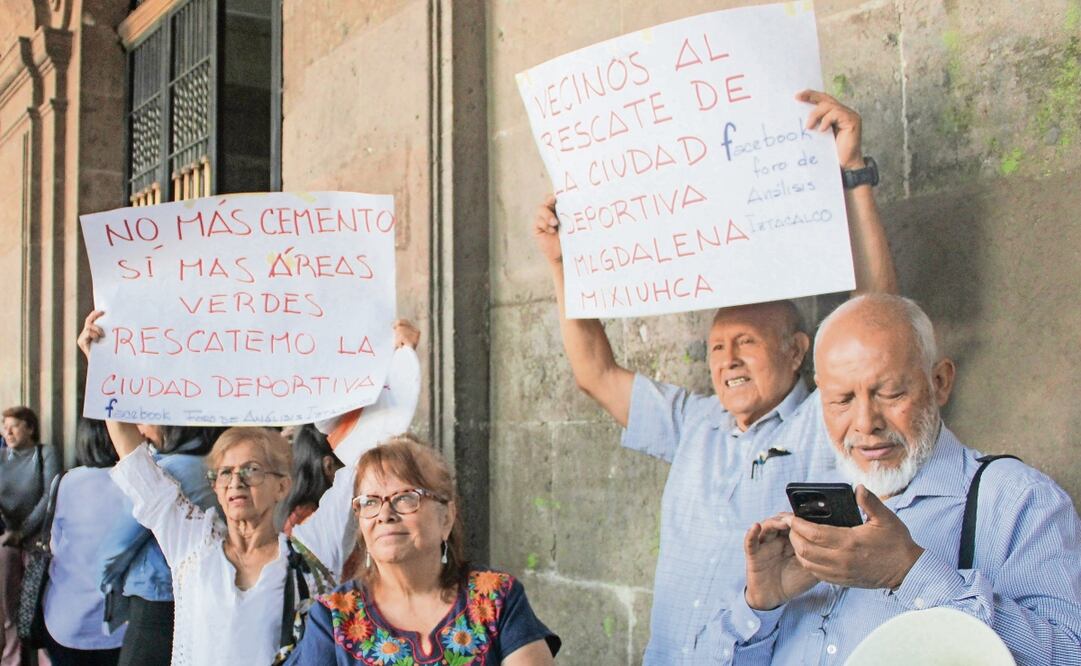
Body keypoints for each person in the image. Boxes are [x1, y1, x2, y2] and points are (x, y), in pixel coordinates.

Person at [531, 90, 897, 662]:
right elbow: (594, 372)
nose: (727, 360)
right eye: (717, 346)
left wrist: (853, 175)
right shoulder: (694, 422)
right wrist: (563, 264)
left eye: (746, 343)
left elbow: (879, 330)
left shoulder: (825, 421)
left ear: (797, 350)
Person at [726, 294, 1081, 664]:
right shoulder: (809, 511)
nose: (865, 423)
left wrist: (909, 572)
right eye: (842, 400)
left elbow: (1071, 655)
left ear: (940, 382)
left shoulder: (1015, 500)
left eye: (891, 393)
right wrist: (761, 607)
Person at [78, 311, 421, 665]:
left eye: (251, 470)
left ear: (282, 485)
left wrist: (401, 365)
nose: (235, 482)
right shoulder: (193, 546)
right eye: (224, 473)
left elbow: (365, 458)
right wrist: (102, 367)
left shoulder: (311, 551)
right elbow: (134, 460)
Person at [285, 435, 561, 665]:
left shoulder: (496, 598)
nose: (385, 514)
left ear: (446, 517)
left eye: (405, 498)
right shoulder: (333, 617)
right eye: (370, 502)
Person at [96, 423, 222, 666]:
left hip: (156, 600)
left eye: (146, 418)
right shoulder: (213, 465)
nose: (141, 429)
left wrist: (106, 583)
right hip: (205, 596)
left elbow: (117, 545)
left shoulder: (167, 470)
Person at [42, 417, 127, 665]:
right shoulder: (137, 482)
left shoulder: (66, 481)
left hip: (65, 616)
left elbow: (55, 543)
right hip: (120, 623)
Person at [0, 405, 61, 665]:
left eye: (14, 425)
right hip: (6, 538)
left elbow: (50, 494)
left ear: (30, 428)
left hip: (39, 537)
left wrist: (24, 531)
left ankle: (46, 658)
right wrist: (9, 531)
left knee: (41, 601)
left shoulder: (44, 453)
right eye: (4, 426)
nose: (8, 431)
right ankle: (13, 659)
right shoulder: (1, 457)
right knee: (8, 604)